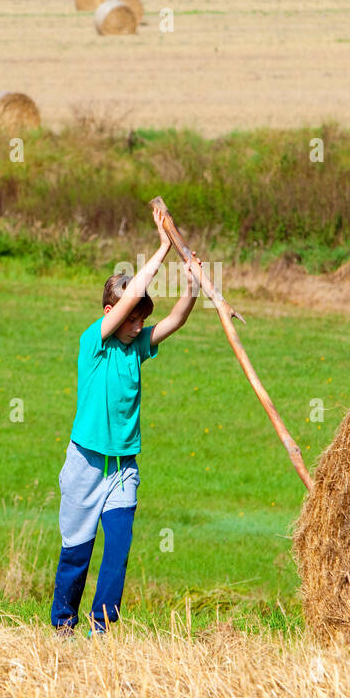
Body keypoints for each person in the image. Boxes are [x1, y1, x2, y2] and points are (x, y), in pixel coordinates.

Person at [51, 204, 202, 635]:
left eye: (140, 319)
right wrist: (162, 249)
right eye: (131, 317)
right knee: (77, 551)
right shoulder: (92, 344)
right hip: (85, 464)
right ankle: (63, 624)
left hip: (123, 468)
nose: (138, 325)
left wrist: (190, 284)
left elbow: (176, 319)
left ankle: (102, 629)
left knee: (117, 551)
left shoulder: (137, 347)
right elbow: (133, 294)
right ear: (108, 312)